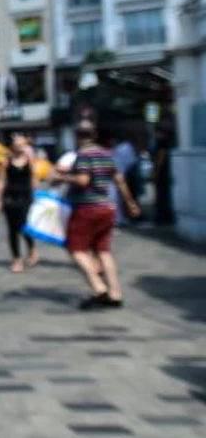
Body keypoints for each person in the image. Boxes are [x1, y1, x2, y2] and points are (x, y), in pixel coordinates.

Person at [53, 121, 140, 310]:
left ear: (77, 136)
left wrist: (62, 178)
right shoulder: (107, 154)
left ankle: (98, 287)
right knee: (104, 251)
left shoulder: (83, 154)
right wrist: (130, 203)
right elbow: (119, 180)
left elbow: (84, 180)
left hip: (87, 207)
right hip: (107, 207)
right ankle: (115, 293)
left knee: (75, 249)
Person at [0, 133, 39, 273]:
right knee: (12, 229)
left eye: (22, 144)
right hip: (10, 197)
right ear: (12, 146)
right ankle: (16, 259)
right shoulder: (6, 160)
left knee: (24, 226)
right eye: (17, 144)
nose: (19, 147)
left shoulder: (29, 159)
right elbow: (0, 181)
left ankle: (31, 249)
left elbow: (34, 178)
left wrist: (38, 196)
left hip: (26, 197)